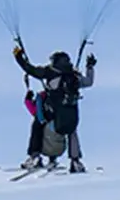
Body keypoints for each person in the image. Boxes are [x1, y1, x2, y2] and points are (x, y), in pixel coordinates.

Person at [14, 42, 95, 172]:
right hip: (71, 117)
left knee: (37, 123)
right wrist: (90, 66)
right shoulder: (74, 76)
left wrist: (18, 57)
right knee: (72, 130)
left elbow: (30, 70)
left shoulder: (50, 72)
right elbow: (89, 82)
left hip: (54, 114)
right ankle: (75, 161)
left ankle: (34, 156)